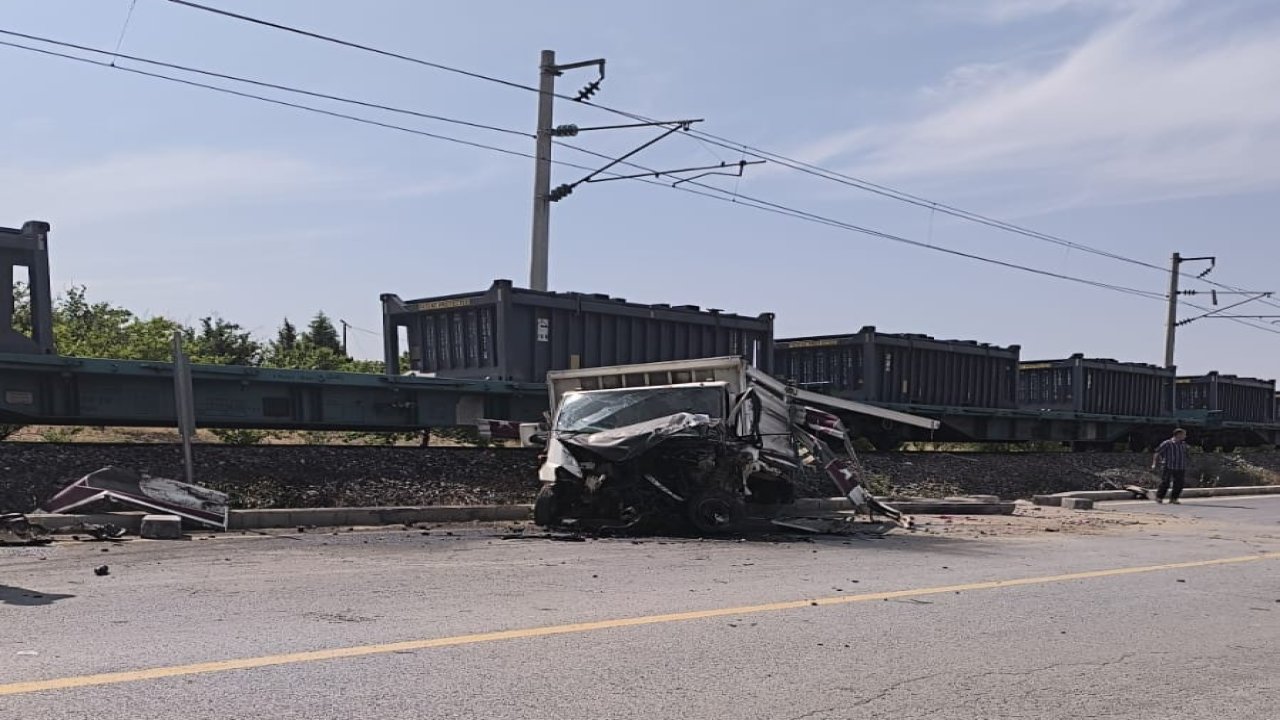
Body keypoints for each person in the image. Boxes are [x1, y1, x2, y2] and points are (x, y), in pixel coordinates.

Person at [1151, 428, 1190, 504]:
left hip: (1180, 466)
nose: (1185, 436)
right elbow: (1157, 452)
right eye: (1183, 434)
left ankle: (1174, 498)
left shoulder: (1183, 445)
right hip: (1168, 466)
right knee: (1165, 482)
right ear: (1178, 435)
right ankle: (1159, 497)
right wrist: (1154, 463)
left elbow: (1186, 455)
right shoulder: (1167, 443)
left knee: (1179, 483)